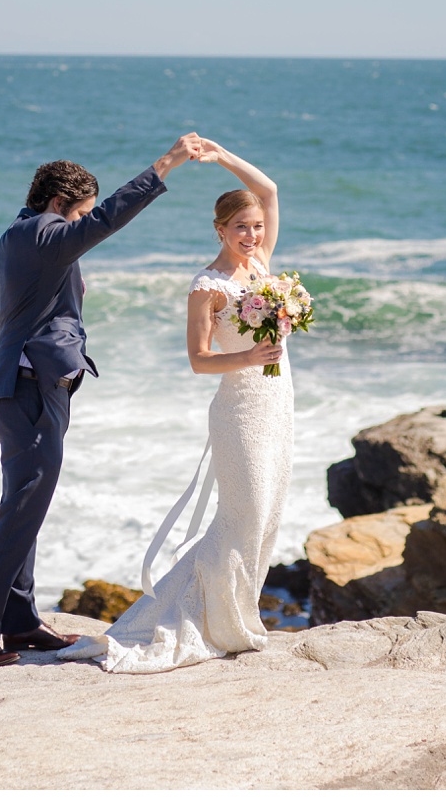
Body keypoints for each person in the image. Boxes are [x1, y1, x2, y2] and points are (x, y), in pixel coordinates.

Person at [0, 134, 203, 668]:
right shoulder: (47, 233)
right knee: (21, 510)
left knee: (24, 506)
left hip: (13, 388)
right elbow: (106, 220)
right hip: (33, 392)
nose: (80, 225)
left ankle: (19, 624)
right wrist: (166, 164)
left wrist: (22, 364)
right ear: (60, 204)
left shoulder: (9, 240)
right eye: (79, 213)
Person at [60, 138, 292, 673]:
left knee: (268, 516)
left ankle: (238, 615)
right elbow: (199, 360)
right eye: (241, 228)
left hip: (280, 401)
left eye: (256, 227)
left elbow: (270, 190)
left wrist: (223, 155)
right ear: (220, 230)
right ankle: (210, 622)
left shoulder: (262, 266)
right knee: (244, 513)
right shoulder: (206, 286)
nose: (252, 236)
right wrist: (252, 354)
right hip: (239, 410)